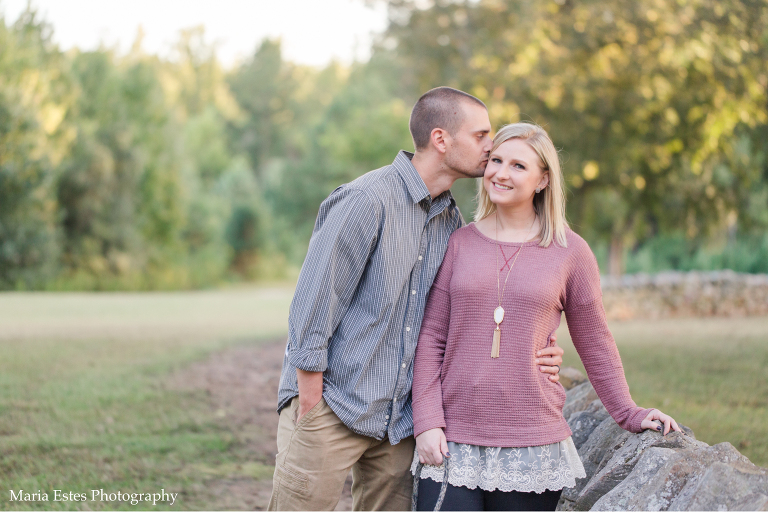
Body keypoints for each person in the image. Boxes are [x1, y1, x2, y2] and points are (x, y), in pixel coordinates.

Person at [268, 89, 565, 511]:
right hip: (333, 406)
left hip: (398, 425)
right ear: (442, 140)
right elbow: (314, 305)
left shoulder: (453, 222)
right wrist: (312, 407)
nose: (491, 147)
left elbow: (465, 314)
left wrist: (542, 347)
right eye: (481, 135)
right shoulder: (367, 200)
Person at [411, 122, 682, 511]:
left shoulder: (571, 251)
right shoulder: (460, 242)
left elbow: (595, 341)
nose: (502, 173)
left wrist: (628, 412)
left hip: (532, 442)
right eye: (497, 160)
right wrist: (427, 421)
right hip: (454, 439)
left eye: (519, 166)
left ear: (542, 180)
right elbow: (431, 338)